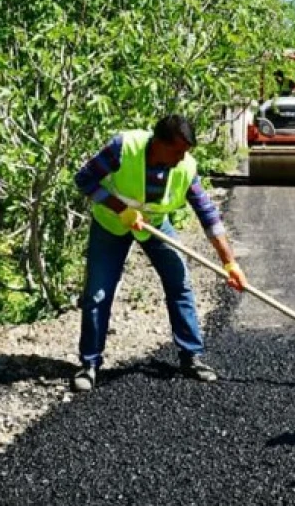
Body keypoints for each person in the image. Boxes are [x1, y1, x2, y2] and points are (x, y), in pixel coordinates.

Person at [70, 114, 247, 392]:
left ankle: (191, 356)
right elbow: (84, 179)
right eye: (176, 151)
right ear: (158, 143)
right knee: (98, 293)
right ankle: (90, 363)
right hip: (110, 225)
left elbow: (208, 214)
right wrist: (122, 210)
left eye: (185, 152)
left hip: (154, 226)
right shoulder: (123, 148)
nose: (180, 158)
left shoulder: (185, 167)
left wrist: (229, 262)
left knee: (180, 283)